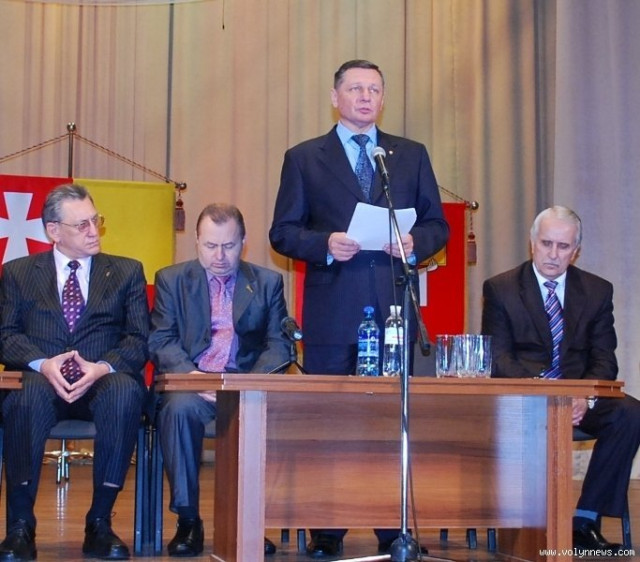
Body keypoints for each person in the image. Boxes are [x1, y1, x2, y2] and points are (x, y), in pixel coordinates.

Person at [269, 59, 449, 558]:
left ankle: (394, 528)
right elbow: (282, 232)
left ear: (383, 98)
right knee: (330, 420)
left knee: (390, 421)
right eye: (355, 89)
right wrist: (324, 244)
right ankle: (327, 529)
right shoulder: (304, 158)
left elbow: (438, 225)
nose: (366, 97)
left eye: (374, 89)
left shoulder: (409, 155)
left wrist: (414, 242)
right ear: (335, 97)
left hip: (393, 306)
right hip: (333, 310)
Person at [0, 183, 149, 561]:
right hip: (40, 382)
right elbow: (6, 336)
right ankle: (20, 526)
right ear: (54, 230)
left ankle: (100, 523)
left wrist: (101, 368)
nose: (94, 231)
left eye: (96, 221)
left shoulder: (127, 271)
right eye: (82, 225)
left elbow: (138, 339)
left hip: (100, 382)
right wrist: (43, 363)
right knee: (25, 393)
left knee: (125, 390)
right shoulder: (18, 273)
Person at [482, 205, 640, 555]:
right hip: (525, 397)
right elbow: (499, 359)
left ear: (576, 250)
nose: (553, 254)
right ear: (532, 243)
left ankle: (584, 522)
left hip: (578, 397)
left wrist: (584, 397)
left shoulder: (597, 291)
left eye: (563, 246)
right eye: (546, 244)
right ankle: (524, 524)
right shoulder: (501, 289)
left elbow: (604, 358)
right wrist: (547, 395)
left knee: (630, 413)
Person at [149, 203, 290, 557]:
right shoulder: (172, 280)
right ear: (197, 241)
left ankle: (248, 523)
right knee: (178, 411)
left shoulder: (267, 283)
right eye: (210, 246)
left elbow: (279, 345)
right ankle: (188, 520)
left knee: (259, 414)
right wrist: (192, 378)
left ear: (243, 242)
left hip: (245, 385)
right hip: (192, 383)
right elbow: (161, 340)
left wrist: (247, 386)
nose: (220, 256)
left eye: (228, 246)